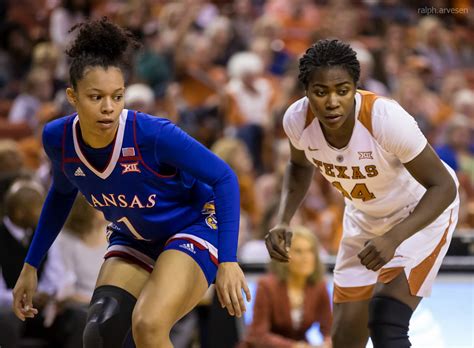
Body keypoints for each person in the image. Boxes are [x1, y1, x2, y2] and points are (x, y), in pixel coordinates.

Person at [12, 17, 250, 348]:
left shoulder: (152, 134)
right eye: (96, 97)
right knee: (99, 334)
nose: (109, 107)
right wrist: (31, 265)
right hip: (136, 236)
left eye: (117, 96)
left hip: (192, 226)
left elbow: (224, 177)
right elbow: (60, 194)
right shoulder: (57, 138)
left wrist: (228, 260)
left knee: (148, 325)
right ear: (72, 96)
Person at [265, 39, 459, 348]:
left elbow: (444, 187)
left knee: (386, 321)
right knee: (344, 340)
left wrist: (394, 238)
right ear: (306, 91)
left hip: (420, 213)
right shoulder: (296, 120)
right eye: (320, 92)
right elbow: (299, 167)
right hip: (364, 218)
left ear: (355, 87)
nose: (332, 102)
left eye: (342, 90)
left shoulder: (384, 119)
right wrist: (283, 219)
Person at [0, 179, 85, 348]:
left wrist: (48, 293)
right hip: (9, 310)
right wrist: (21, 299)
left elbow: (57, 275)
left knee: (79, 316)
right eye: (38, 207)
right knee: (5, 318)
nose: (44, 212)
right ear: (19, 212)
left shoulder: (43, 235)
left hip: (42, 309)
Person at [242, 225, 332, 348]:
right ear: (284, 255)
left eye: (310, 251)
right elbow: (258, 335)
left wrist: (328, 343)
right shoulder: (266, 286)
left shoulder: (319, 287)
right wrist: (294, 346)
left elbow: (329, 329)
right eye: (299, 251)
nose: (306, 257)